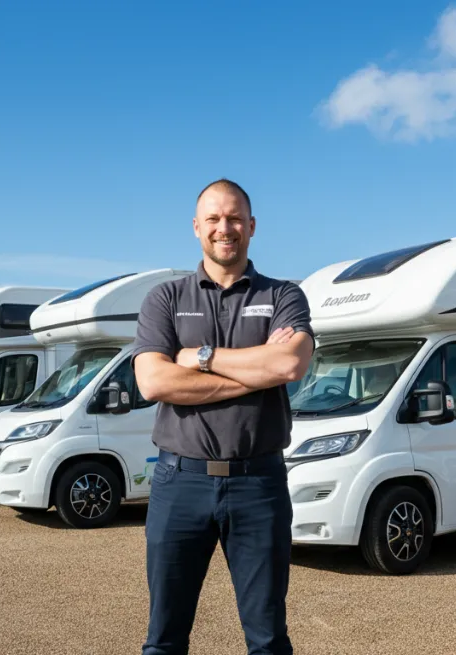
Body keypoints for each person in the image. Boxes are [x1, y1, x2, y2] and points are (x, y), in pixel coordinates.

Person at [131, 178, 314, 655]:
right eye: (213, 219)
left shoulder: (284, 296)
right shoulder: (165, 299)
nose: (224, 228)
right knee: (164, 639)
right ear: (196, 228)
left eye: (234, 218)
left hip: (259, 484)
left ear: (251, 226)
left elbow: (290, 364)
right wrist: (257, 372)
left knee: (268, 639)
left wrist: (199, 356)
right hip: (179, 483)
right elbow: (153, 382)